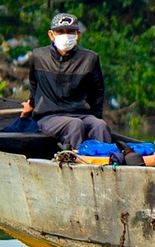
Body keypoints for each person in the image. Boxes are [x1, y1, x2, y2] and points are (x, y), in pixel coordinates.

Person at [20, 12, 112, 148]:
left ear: (78, 35)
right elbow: (34, 84)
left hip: (80, 113)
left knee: (100, 125)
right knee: (75, 125)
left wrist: (95, 116)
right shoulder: (39, 56)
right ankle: (76, 162)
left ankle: (104, 161)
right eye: (60, 32)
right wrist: (31, 103)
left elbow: (97, 91)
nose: (65, 35)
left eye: (70, 32)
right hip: (49, 116)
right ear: (51, 35)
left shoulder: (90, 58)